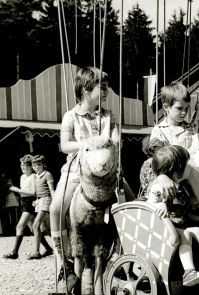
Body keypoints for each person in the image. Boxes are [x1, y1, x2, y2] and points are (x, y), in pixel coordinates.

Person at [49, 66, 120, 283]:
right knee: (55, 209)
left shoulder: (109, 116)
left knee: (131, 201)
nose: (107, 91)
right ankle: (65, 262)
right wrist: (89, 144)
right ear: (86, 89)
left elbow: (116, 142)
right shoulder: (71, 116)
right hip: (76, 171)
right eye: (103, 87)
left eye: (107, 87)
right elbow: (64, 145)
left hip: (106, 173)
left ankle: (125, 250)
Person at [147, 145, 199, 287]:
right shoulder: (160, 187)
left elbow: (185, 212)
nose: (190, 167)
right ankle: (189, 272)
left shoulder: (181, 187)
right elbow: (152, 206)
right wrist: (161, 207)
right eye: (187, 165)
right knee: (185, 235)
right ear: (177, 169)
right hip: (164, 229)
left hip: (179, 223)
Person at [149, 81, 198, 154]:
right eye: (179, 108)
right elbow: (158, 156)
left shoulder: (191, 128)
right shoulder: (158, 131)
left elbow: (197, 150)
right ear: (166, 107)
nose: (184, 112)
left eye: (186, 108)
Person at [3, 155, 36, 259]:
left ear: (31, 167)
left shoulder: (33, 176)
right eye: (21, 165)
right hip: (24, 202)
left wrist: (19, 190)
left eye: (25, 166)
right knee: (34, 228)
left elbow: (34, 192)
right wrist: (20, 193)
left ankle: (14, 252)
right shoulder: (22, 177)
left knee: (20, 226)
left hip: (31, 202)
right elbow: (23, 192)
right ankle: (49, 249)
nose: (22, 167)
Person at [29, 155, 54, 259]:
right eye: (34, 165)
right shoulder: (35, 176)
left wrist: (54, 203)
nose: (36, 167)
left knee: (35, 225)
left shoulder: (47, 174)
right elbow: (38, 191)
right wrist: (36, 200)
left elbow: (51, 190)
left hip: (46, 200)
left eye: (38, 164)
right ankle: (52, 247)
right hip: (39, 201)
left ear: (43, 165)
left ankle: (36, 252)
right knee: (43, 228)